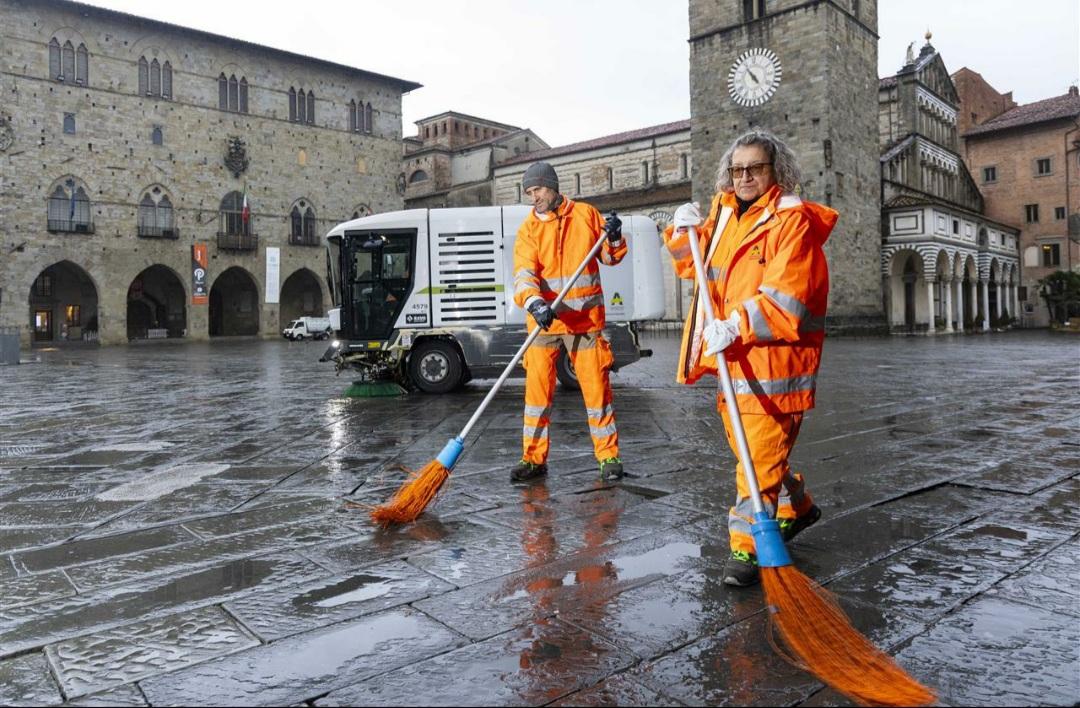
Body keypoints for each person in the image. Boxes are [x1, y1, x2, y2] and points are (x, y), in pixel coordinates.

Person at [662, 129, 837, 587]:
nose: (744, 177)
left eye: (754, 169)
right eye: (737, 169)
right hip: (733, 364)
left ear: (774, 171)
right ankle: (798, 506)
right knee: (752, 454)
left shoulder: (790, 221)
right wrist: (679, 231)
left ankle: (745, 551)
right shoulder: (722, 216)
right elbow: (692, 265)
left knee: (755, 464)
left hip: (774, 367)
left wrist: (736, 324)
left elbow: (787, 297)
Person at [511, 161, 627, 483]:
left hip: (585, 323)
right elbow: (524, 274)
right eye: (529, 193)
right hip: (544, 324)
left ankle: (609, 457)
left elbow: (610, 257)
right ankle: (533, 459)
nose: (533, 198)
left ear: (552, 185)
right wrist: (535, 304)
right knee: (536, 396)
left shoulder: (586, 216)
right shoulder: (528, 230)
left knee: (596, 393)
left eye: (537, 190)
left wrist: (615, 237)